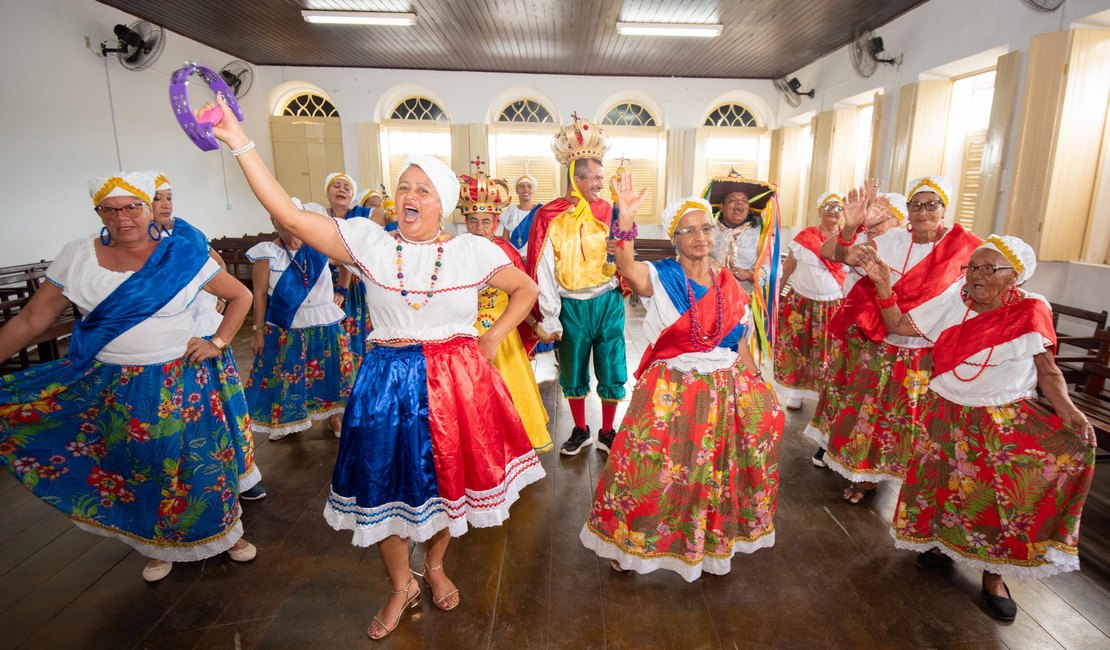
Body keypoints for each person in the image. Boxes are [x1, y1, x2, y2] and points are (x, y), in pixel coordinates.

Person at [199, 95, 544, 641]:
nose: (408, 195)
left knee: (451, 482)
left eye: (421, 189)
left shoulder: (474, 251)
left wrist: (492, 337)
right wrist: (239, 141)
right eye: (403, 186)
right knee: (383, 486)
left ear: (443, 202)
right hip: (387, 380)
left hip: (456, 379)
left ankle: (432, 564)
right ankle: (398, 583)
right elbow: (289, 215)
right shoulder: (368, 243)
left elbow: (525, 289)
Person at [0, 171, 258, 583]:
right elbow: (32, 319)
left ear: (147, 206)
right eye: (110, 209)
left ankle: (224, 536)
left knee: (198, 464)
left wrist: (220, 341)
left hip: (179, 379)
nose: (123, 218)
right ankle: (155, 544)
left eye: (132, 207)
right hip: (113, 384)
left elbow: (239, 295)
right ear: (99, 212)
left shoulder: (181, 254)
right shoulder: (78, 257)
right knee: (138, 467)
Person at [862, 235, 1096, 621]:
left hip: (1000, 419)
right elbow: (900, 325)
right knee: (942, 485)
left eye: (989, 268)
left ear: (1014, 276)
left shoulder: (1031, 310)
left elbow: (1047, 371)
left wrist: (1070, 413)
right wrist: (883, 285)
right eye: (972, 267)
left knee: (1003, 500)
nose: (976, 275)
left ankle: (995, 576)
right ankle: (940, 546)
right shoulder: (954, 299)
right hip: (945, 413)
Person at [580, 188, 784, 581]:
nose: (699, 237)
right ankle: (631, 543)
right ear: (675, 238)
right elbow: (624, 263)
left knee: (714, 472)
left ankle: (708, 544)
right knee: (652, 470)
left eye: (705, 229)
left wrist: (757, 381)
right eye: (688, 231)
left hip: (725, 388)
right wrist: (624, 217)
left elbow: (739, 340)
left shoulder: (729, 283)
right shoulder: (659, 276)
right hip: (671, 390)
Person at [809, 178, 981, 503]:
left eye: (931, 204)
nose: (923, 211)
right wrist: (851, 226)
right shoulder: (892, 241)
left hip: (931, 352)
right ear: (907, 210)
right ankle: (868, 477)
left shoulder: (965, 247)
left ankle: (916, 485)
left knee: (920, 424)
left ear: (944, 209)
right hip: (885, 344)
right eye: (916, 204)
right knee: (873, 416)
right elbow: (836, 253)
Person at [150, 171, 267, 500]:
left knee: (226, 411)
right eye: (156, 198)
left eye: (168, 197)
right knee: (183, 422)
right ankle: (190, 487)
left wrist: (216, 294)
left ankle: (240, 477)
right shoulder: (137, 244)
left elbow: (215, 263)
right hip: (163, 344)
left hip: (201, 331)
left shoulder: (185, 232)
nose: (165, 204)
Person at [526, 116, 627, 456]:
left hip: (607, 300)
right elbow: (543, 269)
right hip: (571, 305)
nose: (601, 182)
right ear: (576, 177)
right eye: (595, 177)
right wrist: (550, 315)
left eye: (601, 176)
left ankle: (609, 431)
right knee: (572, 366)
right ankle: (581, 429)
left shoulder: (609, 210)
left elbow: (628, 249)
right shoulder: (549, 215)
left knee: (612, 364)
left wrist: (623, 245)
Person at [807, 187, 906, 468]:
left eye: (879, 223)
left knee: (870, 398)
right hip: (852, 330)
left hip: (886, 333)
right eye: (869, 223)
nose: (871, 228)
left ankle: (860, 455)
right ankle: (828, 444)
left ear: (898, 223)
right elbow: (829, 251)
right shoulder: (864, 242)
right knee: (841, 387)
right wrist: (851, 227)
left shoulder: (907, 250)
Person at [459, 167, 552, 453]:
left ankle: (513, 448)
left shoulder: (506, 251)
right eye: (472, 221)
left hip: (503, 333)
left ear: (495, 221)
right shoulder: (455, 250)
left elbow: (522, 295)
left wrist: (536, 325)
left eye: (485, 221)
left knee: (510, 392)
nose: (478, 228)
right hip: (464, 333)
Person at [244, 200, 354, 440]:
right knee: (286, 378)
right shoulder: (267, 252)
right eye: (280, 223)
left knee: (329, 374)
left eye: (290, 223)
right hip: (286, 327)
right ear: (273, 223)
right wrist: (258, 331)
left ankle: (333, 417)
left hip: (323, 322)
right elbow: (260, 295)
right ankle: (287, 421)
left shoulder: (319, 246)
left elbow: (347, 263)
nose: (287, 230)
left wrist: (342, 290)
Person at [773, 192, 848, 410]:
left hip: (832, 306)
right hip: (800, 305)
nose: (832, 211)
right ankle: (794, 393)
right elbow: (787, 268)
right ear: (819, 210)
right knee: (797, 348)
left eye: (837, 207)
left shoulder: (846, 241)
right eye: (827, 206)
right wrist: (777, 297)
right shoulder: (805, 237)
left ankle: (820, 396)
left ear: (844, 214)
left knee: (825, 352)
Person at [325, 173, 373, 367]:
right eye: (336, 186)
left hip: (355, 282)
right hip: (324, 281)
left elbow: (349, 253)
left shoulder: (358, 215)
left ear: (352, 195)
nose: (342, 190)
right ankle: (336, 366)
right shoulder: (321, 216)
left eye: (347, 188)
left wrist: (342, 289)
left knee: (356, 323)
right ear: (328, 192)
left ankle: (357, 364)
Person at [706, 170, 776, 294]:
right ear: (721, 206)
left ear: (748, 208)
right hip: (710, 295)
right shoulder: (707, 230)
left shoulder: (762, 234)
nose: (739, 203)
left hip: (745, 299)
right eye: (733, 199)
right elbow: (693, 257)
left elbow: (774, 270)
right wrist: (713, 265)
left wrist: (748, 275)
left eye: (744, 201)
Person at [500, 173, 542, 255]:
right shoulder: (511, 211)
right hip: (515, 259)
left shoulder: (540, 211)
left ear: (534, 190)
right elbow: (505, 240)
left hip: (535, 258)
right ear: (517, 190)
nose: (526, 189)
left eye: (529, 186)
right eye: (522, 186)